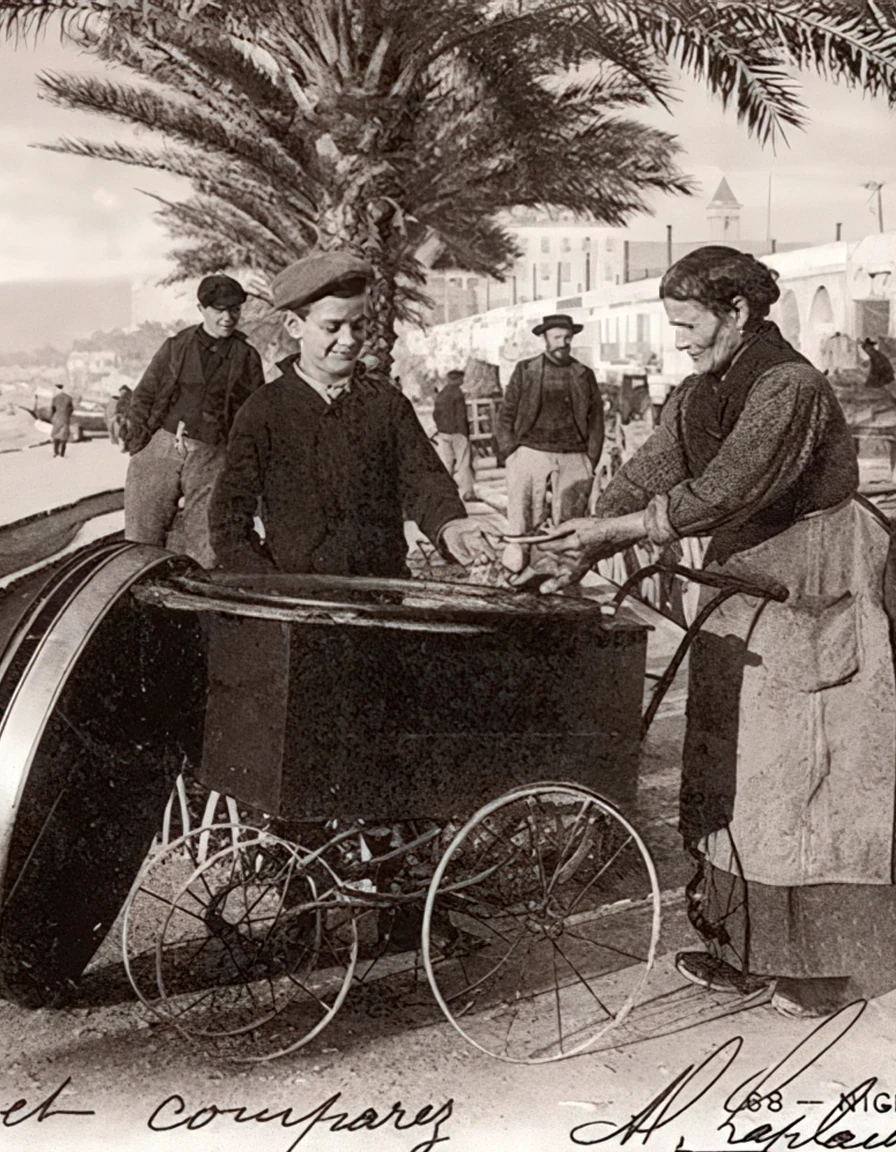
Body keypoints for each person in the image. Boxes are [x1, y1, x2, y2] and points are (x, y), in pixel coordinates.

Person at [541, 245, 896, 1019]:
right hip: (745, 583)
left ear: (737, 312)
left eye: (690, 323)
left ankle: (824, 967)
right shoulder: (700, 391)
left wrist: (620, 531)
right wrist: (586, 527)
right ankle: (741, 947)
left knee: (806, 776)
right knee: (732, 768)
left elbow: (724, 488)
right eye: (673, 326)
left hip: (814, 582)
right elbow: (653, 467)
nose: (682, 340)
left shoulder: (789, 387)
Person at [208, 251, 497, 576]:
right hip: (300, 605)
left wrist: (450, 526)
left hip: (383, 593)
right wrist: (265, 581)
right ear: (294, 325)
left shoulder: (386, 404)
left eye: (358, 325)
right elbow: (229, 516)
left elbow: (424, 480)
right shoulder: (263, 411)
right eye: (332, 327)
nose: (348, 340)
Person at [123, 274, 264, 567]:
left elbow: (254, 412)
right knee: (141, 535)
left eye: (234, 310)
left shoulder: (247, 356)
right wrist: (139, 444)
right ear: (201, 309)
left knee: (204, 541)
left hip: (212, 454)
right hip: (162, 445)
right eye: (219, 309)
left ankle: (194, 602)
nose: (227, 318)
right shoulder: (176, 347)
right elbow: (145, 394)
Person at [496, 313, 604, 572]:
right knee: (523, 520)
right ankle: (519, 573)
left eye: (567, 338)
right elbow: (506, 413)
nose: (562, 343)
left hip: (573, 456)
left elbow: (596, 418)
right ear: (544, 338)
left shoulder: (583, 374)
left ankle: (562, 577)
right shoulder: (526, 370)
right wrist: (510, 451)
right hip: (530, 452)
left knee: (570, 524)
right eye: (557, 337)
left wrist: (590, 459)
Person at [432, 370, 475, 501]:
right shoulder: (458, 393)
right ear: (458, 379)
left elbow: (435, 414)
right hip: (458, 433)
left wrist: (440, 428)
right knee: (463, 463)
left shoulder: (441, 394)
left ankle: (444, 493)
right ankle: (467, 492)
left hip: (443, 433)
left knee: (446, 463)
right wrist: (466, 434)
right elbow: (461, 416)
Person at [50, 383, 74, 458]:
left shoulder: (55, 398)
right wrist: (67, 415)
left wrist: (52, 418)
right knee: (64, 435)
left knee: (56, 434)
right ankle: (62, 454)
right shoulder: (69, 398)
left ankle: (56, 452)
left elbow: (53, 409)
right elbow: (71, 409)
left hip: (57, 417)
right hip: (65, 417)